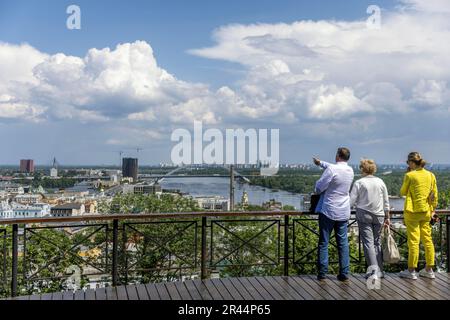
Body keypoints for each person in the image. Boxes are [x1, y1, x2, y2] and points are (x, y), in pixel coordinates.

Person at [313, 147, 354, 282]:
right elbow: (334, 168)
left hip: (329, 210)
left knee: (324, 242)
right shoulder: (350, 170)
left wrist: (317, 186)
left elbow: (319, 188)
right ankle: (344, 273)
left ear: (337, 156)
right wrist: (320, 163)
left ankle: (322, 273)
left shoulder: (332, 170)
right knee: (343, 243)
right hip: (343, 211)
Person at [399, 152, 439, 280]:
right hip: (426, 211)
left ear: (411, 163)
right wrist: (432, 209)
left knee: (414, 242)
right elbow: (434, 195)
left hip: (412, 212)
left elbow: (402, 192)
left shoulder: (410, 175)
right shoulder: (431, 175)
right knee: (427, 240)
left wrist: (408, 174)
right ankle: (429, 269)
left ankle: (411, 270)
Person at [350, 159, 390, 280]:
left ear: (363, 169)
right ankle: (380, 271)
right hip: (379, 215)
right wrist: (387, 216)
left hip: (364, 214)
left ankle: (373, 273)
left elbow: (351, 201)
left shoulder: (359, 182)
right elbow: (386, 201)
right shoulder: (380, 181)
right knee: (377, 242)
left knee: (368, 243)